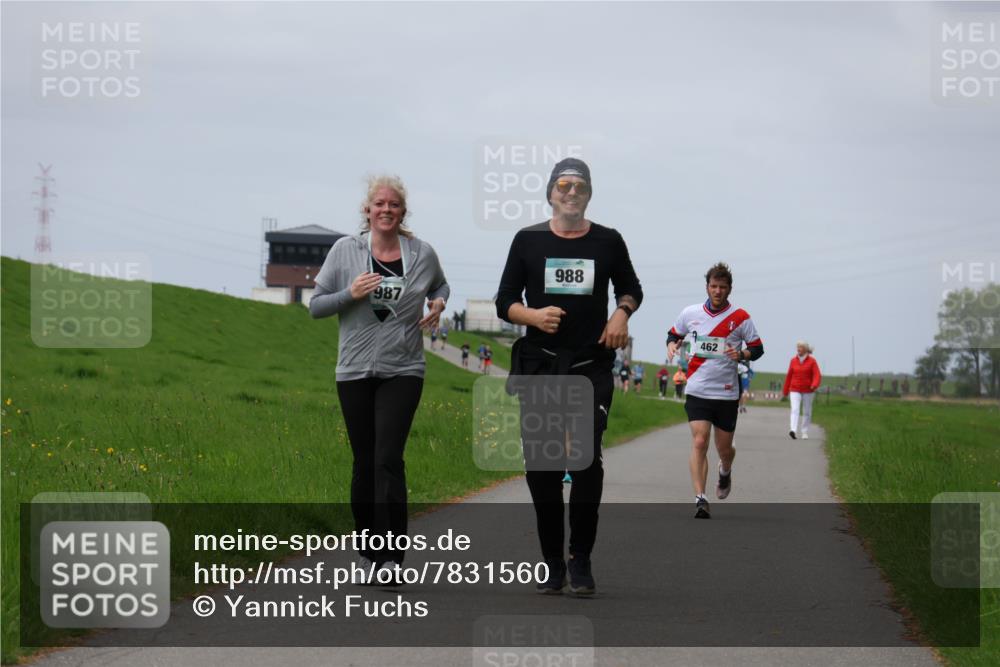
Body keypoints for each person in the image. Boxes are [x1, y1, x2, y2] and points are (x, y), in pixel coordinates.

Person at [496, 157, 642, 596]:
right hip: (540, 364)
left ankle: (581, 558)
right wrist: (533, 316)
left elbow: (632, 287)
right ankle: (552, 562)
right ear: (550, 193)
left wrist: (621, 314)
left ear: (589, 193)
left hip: (588, 366)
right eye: (563, 185)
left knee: (583, 461)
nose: (571, 192)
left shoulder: (608, 241)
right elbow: (505, 300)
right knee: (542, 468)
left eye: (579, 185)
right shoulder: (527, 240)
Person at [309, 174, 448, 582]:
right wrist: (349, 294)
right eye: (379, 204)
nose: (386, 210)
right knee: (364, 463)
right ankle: (368, 556)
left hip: (404, 369)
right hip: (353, 370)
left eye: (394, 205)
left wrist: (439, 301)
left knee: (388, 459)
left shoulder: (421, 253)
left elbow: (440, 283)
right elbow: (316, 307)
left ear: (403, 212)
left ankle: (392, 559)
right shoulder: (344, 251)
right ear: (367, 210)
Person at [666, 263, 763, 519]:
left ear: (729, 289)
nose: (717, 291)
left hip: (727, 391)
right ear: (707, 287)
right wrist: (672, 345)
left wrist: (741, 353)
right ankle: (700, 497)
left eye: (722, 287)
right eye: (713, 286)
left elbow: (758, 348)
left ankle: (725, 470)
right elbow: (673, 333)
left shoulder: (741, 318)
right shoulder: (690, 313)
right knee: (699, 441)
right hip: (698, 388)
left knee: (724, 449)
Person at [782, 341, 822, 439]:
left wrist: (814, 385)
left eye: (800, 347)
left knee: (807, 411)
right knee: (795, 409)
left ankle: (804, 431)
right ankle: (793, 430)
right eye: (797, 347)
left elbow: (817, 375)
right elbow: (789, 376)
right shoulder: (793, 361)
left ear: (805, 349)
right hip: (794, 389)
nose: (798, 349)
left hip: (808, 390)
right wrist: (785, 390)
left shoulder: (812, 361)